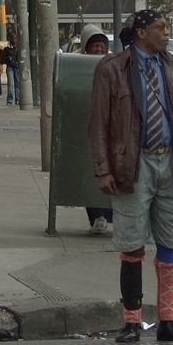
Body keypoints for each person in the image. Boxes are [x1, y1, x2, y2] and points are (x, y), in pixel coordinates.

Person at [88, 9, 173, 344]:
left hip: (170, 164)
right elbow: (98, 125)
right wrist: (103, 169)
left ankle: (168, 320)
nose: (166, 32)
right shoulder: (112, 69)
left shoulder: (172, 66)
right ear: (140, 33)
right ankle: (132, 321)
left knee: (170, 241)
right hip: (132, 167)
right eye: (160, 27)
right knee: (132, 244)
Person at [77, 24, 113, 235]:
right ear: (86, 48)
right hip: (88, 131)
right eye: (95, 46)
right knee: (92, 175)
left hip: (113, 131)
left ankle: (111, 215)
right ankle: (97, 217)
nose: (99, 50)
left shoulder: (115, 64)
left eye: (102, 46)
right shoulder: (77, 65)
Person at [2, 33, 20, 106]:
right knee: (10, 84)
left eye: (15, 38)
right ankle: (10, 99)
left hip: (17, 67)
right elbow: (3, 58)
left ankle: (18, 99)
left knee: (17, 84)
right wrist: (8, 58)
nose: (14, 40)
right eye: (13, 38)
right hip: (10, 67)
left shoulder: (20, 47)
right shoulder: (7, 48)